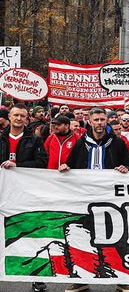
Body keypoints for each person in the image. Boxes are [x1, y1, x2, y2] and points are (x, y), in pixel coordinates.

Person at [60, 109, 129, 292]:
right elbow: (71, 163)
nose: (100, 123)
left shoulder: (117, 142)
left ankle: (121, 278)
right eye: (96, 120)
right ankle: (81, 278)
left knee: (114, 235)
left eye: (102, 119)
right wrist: (65, 166)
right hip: (85, 196)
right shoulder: (81, 142)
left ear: (106, 121)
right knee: (83, 235)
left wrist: (127, 168)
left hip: (110, 197)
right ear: (90, 122)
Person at [0, 104, 49, 292]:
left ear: (27, 118)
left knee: (28, 234)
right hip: (3, 192)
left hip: (24, 194)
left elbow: (42, 163)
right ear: (9, 117)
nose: (19, 118)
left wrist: (17, 165)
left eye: (23, 115)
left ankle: (35, 277)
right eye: (16, 115)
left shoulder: (35, 140)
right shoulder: (1, 138)